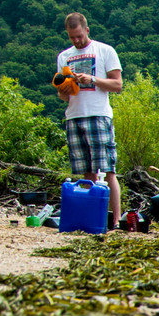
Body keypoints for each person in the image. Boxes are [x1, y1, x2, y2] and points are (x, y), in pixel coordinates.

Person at [56, 11, 124, 217]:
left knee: (107, 171)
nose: (76, 40)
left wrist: (92, 79)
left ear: (87, 30)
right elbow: (61, 95)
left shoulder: (105, 50)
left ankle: (115, 221)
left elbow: (117, 85)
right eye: (72, 37)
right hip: (74, 116)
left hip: (98, 115)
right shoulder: (64, 57)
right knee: (87, 173)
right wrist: (65, 90)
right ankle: (93, 217)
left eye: (79, 36)